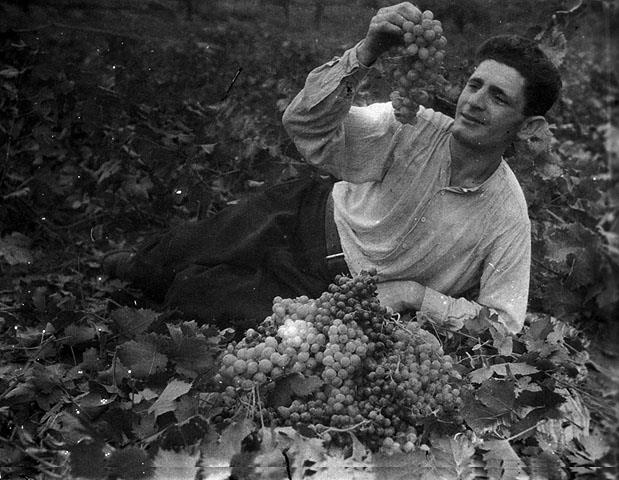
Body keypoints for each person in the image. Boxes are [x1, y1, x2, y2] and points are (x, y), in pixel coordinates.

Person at [104, 2, 561, 334]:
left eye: (498, 97)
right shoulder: (412, 125)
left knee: (196, 299)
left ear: (528, 126)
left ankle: (184, 284)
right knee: (156, 263)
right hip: (301, 218)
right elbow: (303, 123)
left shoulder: (506, 214)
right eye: (474, 84)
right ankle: (142, 266)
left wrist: (418, 296)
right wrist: (365, 53)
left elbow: (504, 325)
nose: (474, 102)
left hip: (336, 293)